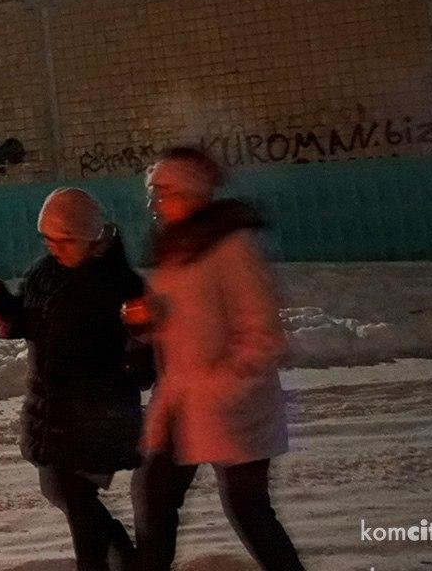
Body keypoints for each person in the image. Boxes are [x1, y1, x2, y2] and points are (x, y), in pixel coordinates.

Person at [132, 147, 303, 571]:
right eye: (153, 194)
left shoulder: (233, 246)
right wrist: (147, 318)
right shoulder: (178, 245)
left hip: (232, 404)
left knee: (248, 509)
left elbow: (263, 333)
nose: (157, 204)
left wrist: (220, 386)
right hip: (182, 398)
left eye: (164, 193)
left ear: (191, 193)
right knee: (154, 495)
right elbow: (188, 318)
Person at [0, 188, 149, 571]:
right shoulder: (44, 273)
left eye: (64, 241)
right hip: (51, 411)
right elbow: (21, 324)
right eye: (49, 240)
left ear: (90, 238)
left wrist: (135, 351)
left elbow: (145, 358)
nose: (55, 248)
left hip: (96, 415)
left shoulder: (120, 285)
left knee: (76, 499)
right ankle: (126, 560)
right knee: (63, 493)